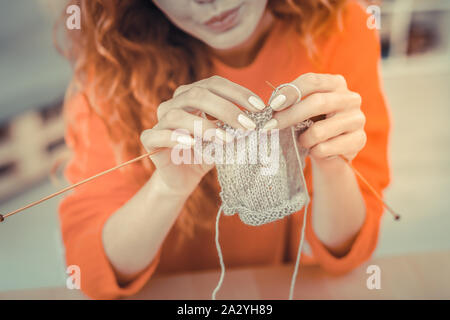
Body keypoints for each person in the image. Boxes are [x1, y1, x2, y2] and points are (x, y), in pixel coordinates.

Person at [59, 0, 391, 299]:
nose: (209, 2)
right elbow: (92, 271)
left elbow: (345, 252)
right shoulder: (113, 68)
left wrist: (333, 167)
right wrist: (168, 188)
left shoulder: (336, 25)